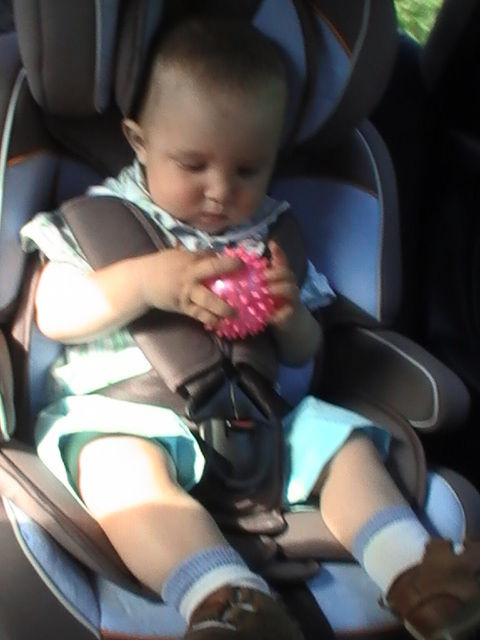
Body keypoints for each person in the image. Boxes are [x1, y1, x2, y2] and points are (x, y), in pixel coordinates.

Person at [20, 16, 480, 640]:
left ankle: (415, 573)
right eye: (193, 164)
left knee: (346, 447)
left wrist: (293, 321)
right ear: (138, 140)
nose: (219, 191)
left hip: (260, 425)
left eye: (247, 170)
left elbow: (308, 354)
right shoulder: (98, 220)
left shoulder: (272, 235)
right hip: (127, 416)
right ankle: (227, 601)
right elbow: (55, 312)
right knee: (114, 469)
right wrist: (146, 284)